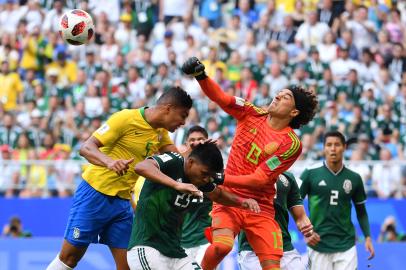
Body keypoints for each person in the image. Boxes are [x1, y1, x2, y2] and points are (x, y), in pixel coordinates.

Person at [182, 57, 318, 270]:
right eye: (280, 92)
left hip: (261, 207)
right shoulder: (250, 112)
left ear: (294, 112)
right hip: (228, 198)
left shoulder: (291, 144)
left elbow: (259, 179)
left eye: (287, 97)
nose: (279, 94)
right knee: (222, 248)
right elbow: (221, 98)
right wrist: (201, 76)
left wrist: (220, 177)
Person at [47, 86, 196, 270]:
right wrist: (109, 162)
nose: (183, 122)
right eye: (182, 115)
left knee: (127, 266)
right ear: (168, 108)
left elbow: (178, 160)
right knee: (69, 259)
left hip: (122, 204)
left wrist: (198, 150)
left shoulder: (160, 132)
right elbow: (86, 148)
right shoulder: (125, 118)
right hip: (95, 194)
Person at [127, 142, 261, 270]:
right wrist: (177, 185)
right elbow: (141, 167)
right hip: (147, 247)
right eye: (205, 174)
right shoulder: (175, 161)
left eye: (210, 176)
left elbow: (218, 195)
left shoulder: (200, 178)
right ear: (191, 162)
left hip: (176, 253)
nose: (207, 179)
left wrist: (242, 202)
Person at [300, 131, 375, 270]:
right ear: (324, 148)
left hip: (346, 244)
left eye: (337, 145)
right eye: (329, 145)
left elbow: (361, 212)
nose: (333, 149)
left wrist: (368, 237)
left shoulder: (354, 178)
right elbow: (295, 204)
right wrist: (306, 232)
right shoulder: (310, 173)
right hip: (318, 244)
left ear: (344, 147)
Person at [238, 172, 318, 270]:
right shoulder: (244, 173)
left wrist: (307, 228)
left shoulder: (288, 177)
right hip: (253, 250)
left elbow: (301, 217)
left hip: (285, 246)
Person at [181, 126, 212, 265]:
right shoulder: (177, 169)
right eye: (192, 140)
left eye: (201, 139)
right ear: (186, 144)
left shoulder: (216, 169)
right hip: (180, 242)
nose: (197, 143)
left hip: (205, 240)